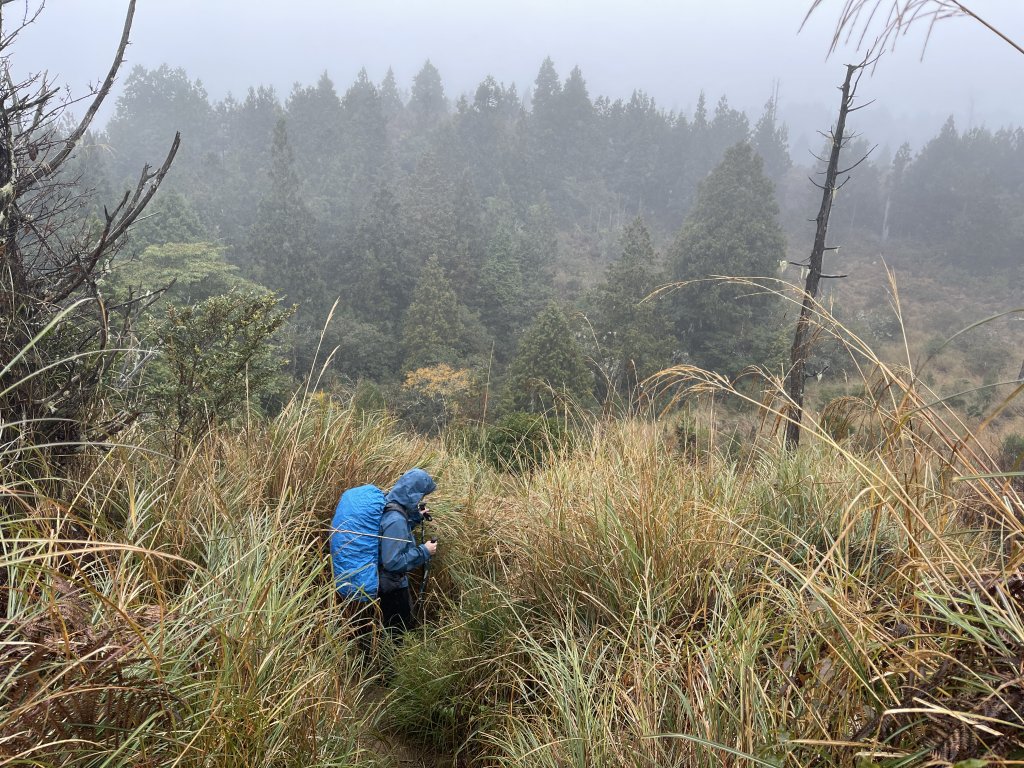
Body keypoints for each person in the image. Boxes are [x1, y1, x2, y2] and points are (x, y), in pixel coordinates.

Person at [377, 468, 438, 635]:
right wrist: (425, 551)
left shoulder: (392, 507)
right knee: (396, 634)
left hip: (388, 585)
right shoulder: (396, 519)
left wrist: (416, 517)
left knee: (392, 631)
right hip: (392, 588)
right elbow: (392, 562)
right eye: (421, 495)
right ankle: (391, 661)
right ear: (413, 494)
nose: (422, 499)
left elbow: (394, 537)